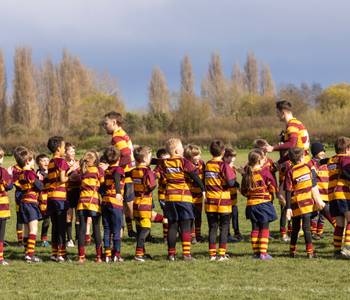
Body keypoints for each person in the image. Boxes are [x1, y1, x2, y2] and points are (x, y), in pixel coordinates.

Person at [161, 138, 205, 261]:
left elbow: (156, 173)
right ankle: (186, 254)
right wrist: (203, 188)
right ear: (176, 150)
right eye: (181, 147)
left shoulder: (164, 163)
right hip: (183, 197)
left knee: (172, 226)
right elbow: (194, 174)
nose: (183, 149)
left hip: (169, 198)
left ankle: (171, 254)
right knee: (186, 226)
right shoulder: (183, 161)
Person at [285, 147, 325, 258]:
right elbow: (313, 183)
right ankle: (310, 252)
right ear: (302, 156)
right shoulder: (308, 167)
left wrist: (288, 207)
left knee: (295, 229)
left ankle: (292, 251)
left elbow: (288, 191)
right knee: (306, 229)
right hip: (307, 203)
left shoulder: (290, 171)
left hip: (295, 204)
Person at [102, 111, 136, 238]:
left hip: (125, 174)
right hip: (128, 173)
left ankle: (120, 233)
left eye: (106, 124)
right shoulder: (123, 134)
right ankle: (130, 231)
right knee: (127, 205)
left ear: (114, 122)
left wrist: (113, 167)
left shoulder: (117, 137)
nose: (104, 126)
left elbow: (126, 155)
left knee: (123, 204)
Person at [241, 149, 278, 260]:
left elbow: (244, 191)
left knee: (255, 228)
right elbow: (273, 187)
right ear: (259, 160)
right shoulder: (264, 172)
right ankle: (263, 253)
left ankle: (256, 253)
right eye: (263, 158)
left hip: (251, 205)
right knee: (264, 228)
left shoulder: (247, 174)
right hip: (263, 204)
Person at [47, 136, 77, 262]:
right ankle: (62, 254)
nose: (65, 149)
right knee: (62, 226)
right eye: (64, 147)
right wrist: (72, 170)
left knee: (55, 226)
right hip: (60, 197)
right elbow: (63, 179)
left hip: (51, 197)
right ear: (59, 148)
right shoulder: (62, 162)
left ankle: (54, 253)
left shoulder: (51, 161)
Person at [205, 141, 237, 261]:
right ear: (223, 152)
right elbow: (230, 182)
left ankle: (212, 254)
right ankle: (221, 254)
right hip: (222, 201)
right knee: (224, 227)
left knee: (212, 227)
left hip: (210, 201)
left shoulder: (207, 164)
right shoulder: (223, 165)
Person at [76, 151, 104, 263]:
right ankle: (98, 257)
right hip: (94, 202)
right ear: (96, 160)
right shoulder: (99, 170)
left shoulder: (81, 170)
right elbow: (102, 183)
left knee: (82, 229)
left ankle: (81, 257)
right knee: (96, 228)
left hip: (82, 202)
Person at [17, 148, 44, 263]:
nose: (33, 162)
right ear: (27, 161)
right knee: (34, 229)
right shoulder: (30, 173)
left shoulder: (21, 174)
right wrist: (40, 179)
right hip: (31, 203)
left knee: (27, 229)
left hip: (23, 202)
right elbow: (39, 187)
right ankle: (30, 254)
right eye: (32, 160)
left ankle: (26, 252)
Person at [131, 146, 157, 262]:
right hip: (145, 203)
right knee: (145, 229)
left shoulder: (134, 171)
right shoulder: (147, 171)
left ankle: (143, 252)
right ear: (145, 158)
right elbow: (152, 185)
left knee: (140, 228)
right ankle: (138, 254)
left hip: (136, 203)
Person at [327, 137, 350, 258]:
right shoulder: (345, 158)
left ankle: (336, 251)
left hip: (332, 195)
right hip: (342, 193)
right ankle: (347, 248)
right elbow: (347, 171)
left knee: (340, 224)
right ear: (347, 149)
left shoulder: (331, 160)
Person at [101, 146, 125, 263]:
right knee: (116, 229)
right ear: (118, 158)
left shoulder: (106, 171)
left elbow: (102, 186)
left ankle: (107, 255)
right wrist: (118, 192)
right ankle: (116, 254)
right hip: (115, 203)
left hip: (105, 202)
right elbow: (116, 177)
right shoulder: (118, 170)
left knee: (106, 229)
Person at [309, 142, 336, 239]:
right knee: (315, 214)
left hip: (327, 193)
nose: (324, 153)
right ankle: (312, 231)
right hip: (317, 194)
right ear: (315, 152)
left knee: (323, 216)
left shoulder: (326, 163)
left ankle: (319, 233)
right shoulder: (312, 163)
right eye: (321, 151)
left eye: (324, 151)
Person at [184, 144, 205, 243]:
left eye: (199, 155)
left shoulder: (202, 164)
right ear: (189, 157)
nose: (198, 157)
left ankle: (198, 234)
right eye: (195, 155)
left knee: (198, 215)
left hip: (199, 195)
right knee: (190, 216)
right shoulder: (185, 165)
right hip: (188, 195)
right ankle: (192, 236)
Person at [223, 148, 242, 243]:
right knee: (227, 217)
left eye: (234, 157)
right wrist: (237, 185)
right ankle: (227, 234)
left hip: (233, 197)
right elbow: (230, 182)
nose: (233, 159)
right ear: (225, 157)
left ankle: (237, 233)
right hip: (227, 197)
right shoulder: (224, 166)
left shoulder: (232, 166)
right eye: (231, 157)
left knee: (235, 215)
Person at [65, 143, 81, 248]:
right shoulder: (63, 163)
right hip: (68, 192)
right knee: (69, 216)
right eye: (71, 151)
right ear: (65, 152)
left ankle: (78, 238)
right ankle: (69, 239)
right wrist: (71, 169)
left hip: (78, 191)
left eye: (74, 151)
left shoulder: (78, 162)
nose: (73, 153)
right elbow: (63, 176)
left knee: (79, 217)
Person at [0, 147, 13, 265]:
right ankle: (0, 258)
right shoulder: (2, 171)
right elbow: (9, 186)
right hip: (1, 207)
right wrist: (9, 175)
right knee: (1, 233)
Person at [153, 148, 169, 242]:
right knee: (167, 215)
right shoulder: (158, 168)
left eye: (168, 159)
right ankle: (166, 237)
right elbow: (154, 175)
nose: (166, 162)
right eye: (164, 160)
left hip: (174, 194)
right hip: (163, 195)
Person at [35, 154, 50, 247]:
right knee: (37, 219)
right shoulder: (37, 174)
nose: (46, 162)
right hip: (40, 200)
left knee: (47, 220)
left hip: (50, 199)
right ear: (38, 163)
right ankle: (28, 238)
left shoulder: (51, 172)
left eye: (47, 160)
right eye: (43, 160)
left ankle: (44, 239)